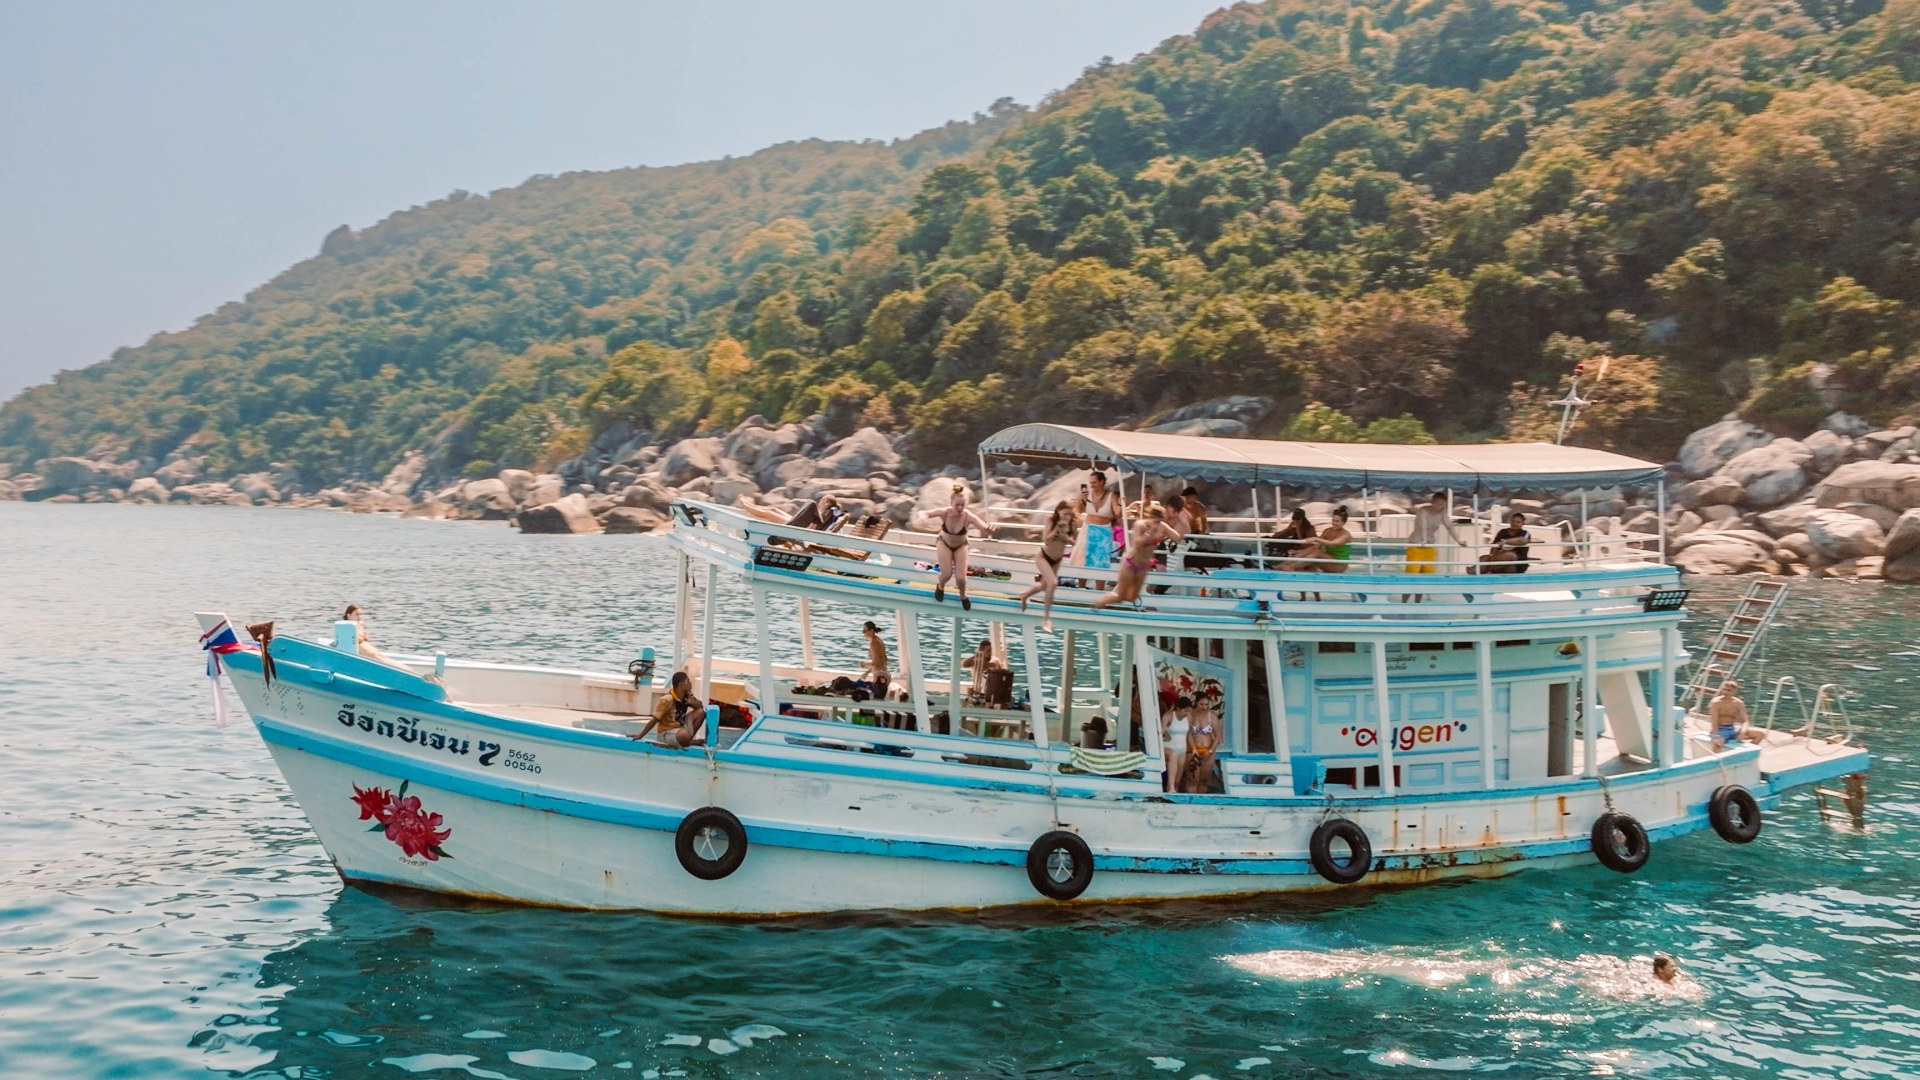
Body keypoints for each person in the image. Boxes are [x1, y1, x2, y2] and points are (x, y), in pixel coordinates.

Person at [1092, 507, 1181, 608]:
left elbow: (1177, 538)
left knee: (1131, 597)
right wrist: (1150, 533)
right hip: (1130, 563)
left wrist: (1181, 521)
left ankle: (1105, 604)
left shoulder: (1162, 526)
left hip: (1143, 566)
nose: (1158, 524)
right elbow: (1137, 543)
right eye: (1156, 521)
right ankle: (1098, 603)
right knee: (1120, 595)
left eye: (1160, 521)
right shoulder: (1140, 524)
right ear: (1150, 518)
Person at [923, 485, 991, 610]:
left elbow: (982, 525)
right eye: (957, 505)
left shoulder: (967, 516)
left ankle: (963, 595)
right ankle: (940, 586)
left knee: (961, 578)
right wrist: (922, 517)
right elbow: (926, 513)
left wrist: (988, 528)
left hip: (961, 545)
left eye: (962, 505)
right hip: (944, 543)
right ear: (951, 503)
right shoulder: (945, 512)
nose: (960, 508)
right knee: (946, 574)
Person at [1018, 500, 1076, 630]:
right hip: (1044, 556)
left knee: (1044, 586)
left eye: (1070, 514)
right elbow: (1046, 539)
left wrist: (1067, 538)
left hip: (1057, 560)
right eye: (1065, 514)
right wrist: (1057, 529)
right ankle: (1046, 619)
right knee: (1053, 583)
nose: (1067, 517)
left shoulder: (1072, 524)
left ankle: (1024, 595)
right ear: (1058, 511)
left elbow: (1076, 543)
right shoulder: (1051, 520)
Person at [1404, 492, 1465, 601]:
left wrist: (1459, 541)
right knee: (1412, 575)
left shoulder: (1442, 513)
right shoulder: (1423, 510)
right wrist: (1423, 540)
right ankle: (1404, 602)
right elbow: (1422, 525)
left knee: (1426, 575)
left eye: (1444, 504)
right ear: (1433, 502)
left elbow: (1450, 526)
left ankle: (1417, 602)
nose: (1442, 507)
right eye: (1440, 504)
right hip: (1416, 544)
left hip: (1429, 545)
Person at [630, 671, 704, 748]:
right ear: (681, 684)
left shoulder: (686, 696)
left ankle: (688, 740)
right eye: (688, 681)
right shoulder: (667, 699)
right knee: (683, 735)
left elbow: (700, 706)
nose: (690, 683)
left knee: (701, 712)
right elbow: (654, 720)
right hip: (667, 732)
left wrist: (693, 702)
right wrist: (640, 735)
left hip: (680, 728)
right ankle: (688, 741)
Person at [1077, 471, 1124, 574]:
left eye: (1094, 482)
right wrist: (1080, 500)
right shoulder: (1087, 495)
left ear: (1102, 482)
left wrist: (1121, 504)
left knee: (1101, 562)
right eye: (1090, 483)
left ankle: (1099, 583)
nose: (1091, 485)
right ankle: (1082, 583)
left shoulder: (1112, 495)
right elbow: (1079, 511)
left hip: (1104, 531)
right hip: (1087, 530)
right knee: (1084, 561)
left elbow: (1118, 514)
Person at [1183, 698, 1222, 794]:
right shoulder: (1189, 715)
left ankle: (1201, 799)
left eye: (1206, 704)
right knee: (1192, 779)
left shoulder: (1212, 716)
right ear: (1196, 703)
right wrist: (1193, 749)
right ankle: (1192, 800)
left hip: (1207, 750)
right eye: (1201, 704)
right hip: (1192, 750)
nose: (1204, 707)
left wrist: (1211, 751)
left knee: (1204, 780)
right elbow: (1187, 733)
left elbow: (1218, 736)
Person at [1710, 679, 1762, 749]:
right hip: (1720, 729)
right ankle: (1716, 755)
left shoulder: (1738, 703)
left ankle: (1745, 753)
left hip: (1732, 729)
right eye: (1724, 689)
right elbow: (1714, 721)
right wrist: (1716, 735)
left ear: (1734, 691)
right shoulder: (1716, 703)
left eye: (1728, 690)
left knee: (1760, 734)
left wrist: (1743, 732)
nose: (1725, 692)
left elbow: (1745, 721)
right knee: (1718, 742)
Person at [1163, 695, 1191, 793]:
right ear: (1178, 708)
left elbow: (1189, 734)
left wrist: (1193, 748)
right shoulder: (1168, 716)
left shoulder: (1188, 717)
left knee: (1177, 781)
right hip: (1168, 747)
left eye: (1189, 711)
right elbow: (1161, 731)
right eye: (1185, 711)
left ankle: (1173, 793)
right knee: (1173, 755)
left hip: (1182, 750)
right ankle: (1170, 788)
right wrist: (1165, 734)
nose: (1187, 713)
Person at [860, 621, 891, 698]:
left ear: (871, 631)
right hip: (883, 674)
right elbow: (881, 661)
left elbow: (876, 663)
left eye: (864, 630)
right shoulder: (878, 640)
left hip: (879, 677)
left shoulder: (874, 643)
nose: (863, 632)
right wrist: (867, 672)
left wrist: (864, 664)